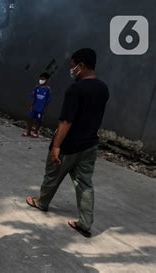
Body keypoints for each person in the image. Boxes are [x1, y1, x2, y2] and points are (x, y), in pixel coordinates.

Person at [26, 48, 109, 238]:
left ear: (80, 66)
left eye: (73, 66)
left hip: (69, 145)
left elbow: (66, 121)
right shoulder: (103, 88)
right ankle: (85, 223)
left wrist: (56, 146)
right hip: (90, 145)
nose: (71, 70)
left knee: (52, 175)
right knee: (85, 184)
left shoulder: (76, 89)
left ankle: (42, 203)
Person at [22, 72, 51, 138]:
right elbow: (33, 97)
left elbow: (47, 101)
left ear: (47, 80)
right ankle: (28, 132)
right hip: (34, 107)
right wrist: (31, 106)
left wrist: (45, 109)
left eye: (43, 79)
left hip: (41, 109)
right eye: (40, 79)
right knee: (30, 118)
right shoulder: (36, 87)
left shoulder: (48, 90)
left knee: (38, 121)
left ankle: (35, 132)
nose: (41, 80)